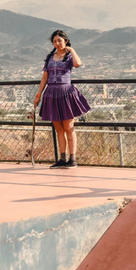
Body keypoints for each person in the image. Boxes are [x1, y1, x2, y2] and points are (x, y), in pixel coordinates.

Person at [33, 30, 89, 167]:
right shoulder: (50, 57)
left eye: (59, 40)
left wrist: (71, 49)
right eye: (54, 41)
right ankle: (62, 159)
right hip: (51, 93)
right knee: (58, 129)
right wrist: (38, 94)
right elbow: (45, 77)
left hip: (66, 92)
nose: (57, 43)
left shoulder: (69, 56)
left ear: (65, 41)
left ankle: (73, 159)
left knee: (69, 127)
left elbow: (78, 63)